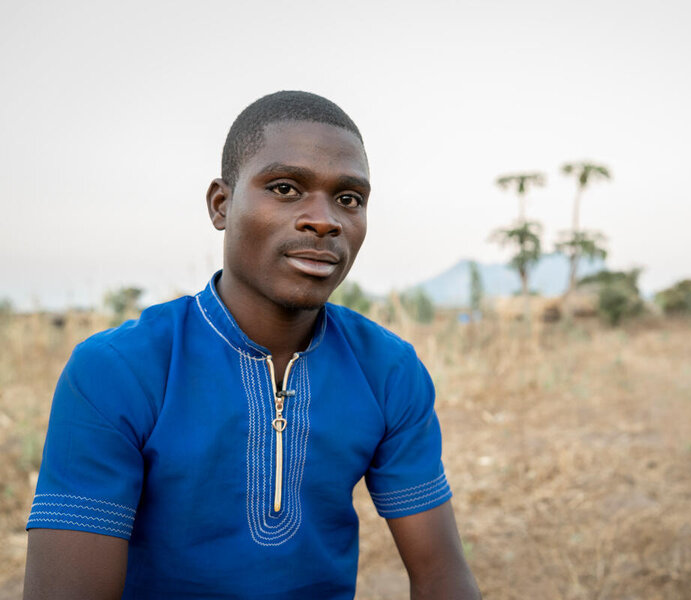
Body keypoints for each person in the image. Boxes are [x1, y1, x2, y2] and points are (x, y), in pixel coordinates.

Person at [23, 91, 481, 599]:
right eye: (285, 188)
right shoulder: (117, 371)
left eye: (349, 199)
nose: (324, 219)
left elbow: (442, 577)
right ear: (222, 205)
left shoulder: (388, 371)